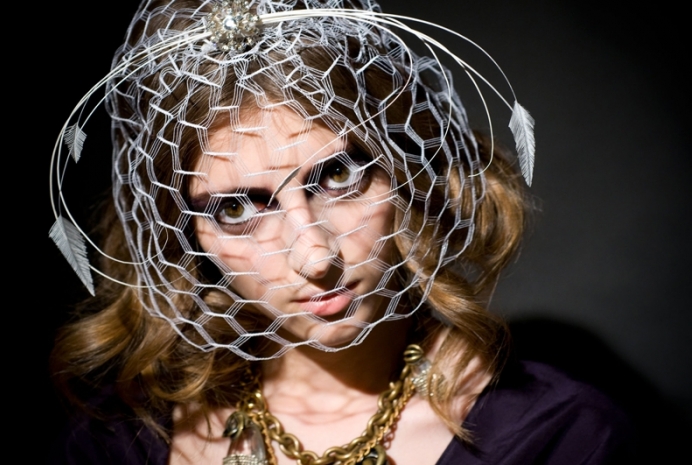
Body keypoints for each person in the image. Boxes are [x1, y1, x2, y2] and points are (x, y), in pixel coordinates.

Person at [48, 1, 633, 464]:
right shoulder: (117, 439)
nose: (315, 257)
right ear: (184, 231)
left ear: (405, 166)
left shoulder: (559, 439)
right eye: (237, 208)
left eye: (337, 176)